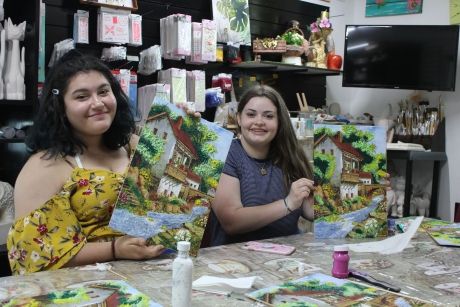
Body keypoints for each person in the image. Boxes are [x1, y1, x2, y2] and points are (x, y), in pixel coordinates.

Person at [7, 50, 166, 275]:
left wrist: (187, 128)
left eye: (103, 92)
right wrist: (114, 249)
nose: (98, 103)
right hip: (84, 289)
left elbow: (184, 200)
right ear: (60, 107)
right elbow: (36, 253)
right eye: (82, 97)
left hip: (153, 276)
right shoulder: (45, 165)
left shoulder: (134, 145)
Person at [209, 84, 315, 246]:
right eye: (251, 114)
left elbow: (310, 211)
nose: (259, 122)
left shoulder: (291, 156)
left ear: (280, 121)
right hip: (234, 262)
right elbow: (231, 222)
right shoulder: (222, 154)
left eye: (268, 116)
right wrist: (288, 204)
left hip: (288, 257)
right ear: (239, 118)